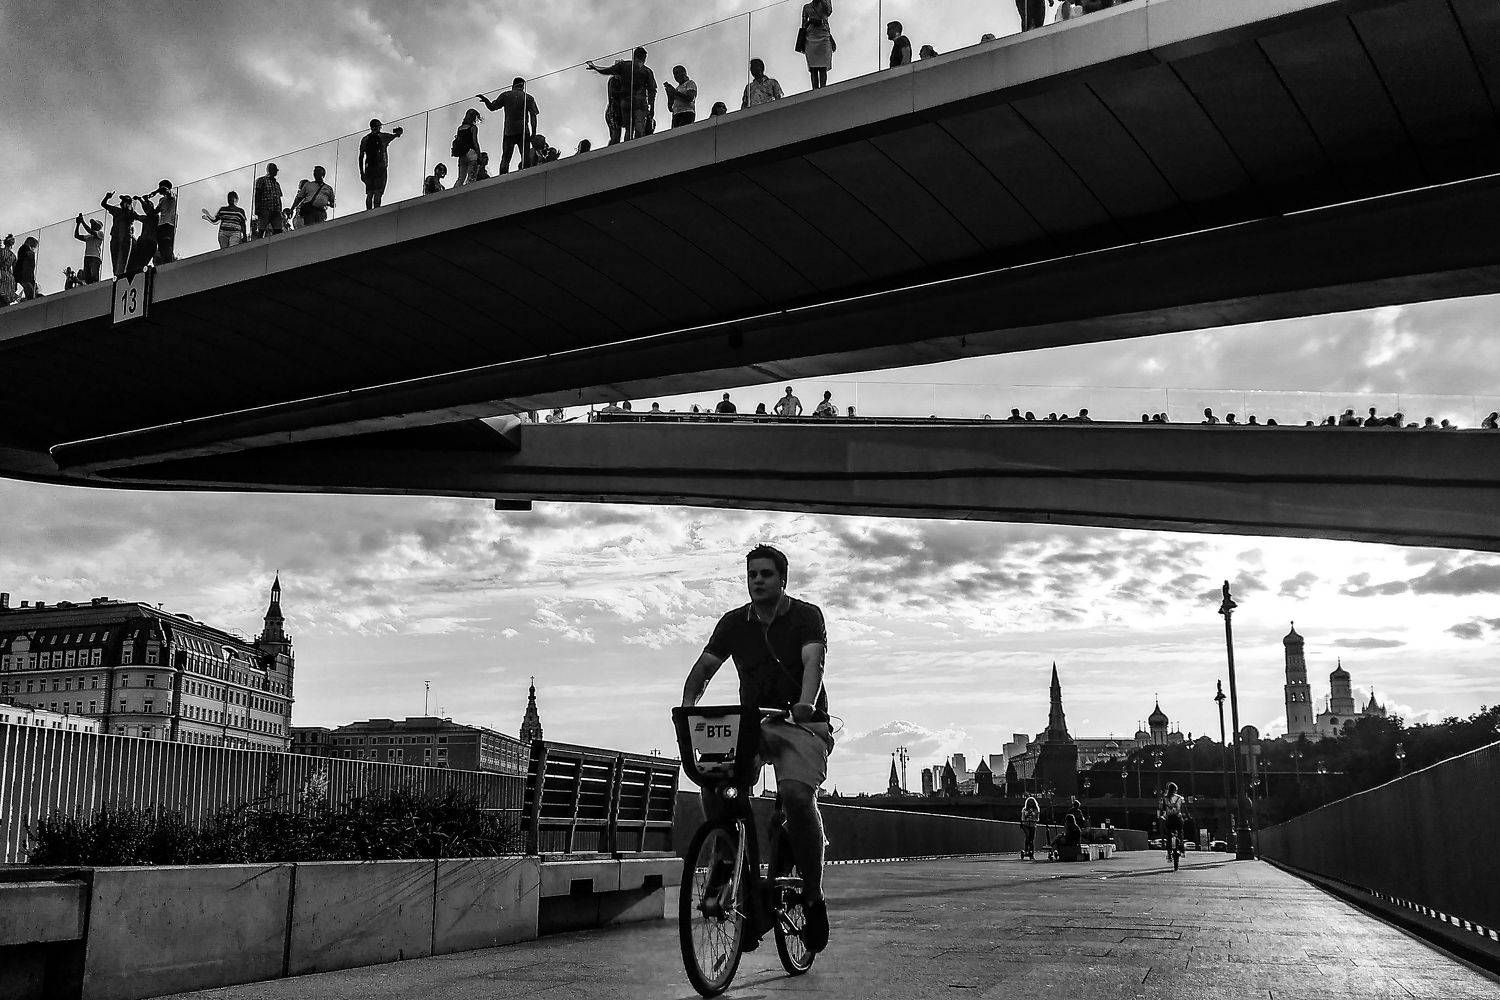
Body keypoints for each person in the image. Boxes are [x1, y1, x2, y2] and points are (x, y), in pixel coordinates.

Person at [681, 544, 834, 955]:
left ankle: (814, 897)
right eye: (752, 574)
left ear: (782, 579)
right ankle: (729, 860)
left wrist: (806, 702)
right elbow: (705, 668)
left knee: (797, 796)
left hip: (801, 722)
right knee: (716, 779)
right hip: (754, 724)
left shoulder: (806, 616)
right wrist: (689, 704)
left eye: (766, 574)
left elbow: (814, 663)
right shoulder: (734, 623)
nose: (758, 580)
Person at [587, 48, 657, 143]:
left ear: (634, 56)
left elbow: (608, 70)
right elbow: (652, 90)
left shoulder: (625, 66)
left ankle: (629, 146)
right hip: (639, 103)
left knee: (629, 129)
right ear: (644, 58)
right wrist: (652, 107)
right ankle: (637, 146)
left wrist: (595, 67)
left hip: (627, 101)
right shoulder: (646, 71)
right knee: (638, 127)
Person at [478, 79, 540, 173]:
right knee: (525, 157)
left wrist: (486, 100)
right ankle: (527, 176)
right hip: (523, 130)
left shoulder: (506, 95)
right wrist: (534, 133)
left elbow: (492, 107)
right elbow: (533, 115)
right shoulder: (528, 97)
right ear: (523, 86)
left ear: (513, 85)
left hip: (509, 131)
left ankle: (502, 178)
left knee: (506, 158)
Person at [359, 119, 404, 209]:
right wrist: (399, 131)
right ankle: (376, 211)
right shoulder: (383, 137)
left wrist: (362, 172)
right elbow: (397, 135)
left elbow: (360, 157)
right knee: (378, 192)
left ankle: (368, 211)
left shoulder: (365, 139)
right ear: (379, 126)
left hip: (368, 168)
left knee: (369, 193)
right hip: (381, 167)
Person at [123, 193, 160, 276]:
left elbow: (146, 210)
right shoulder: (148, 217)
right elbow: (137, 215)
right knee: (136, 264)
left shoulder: (154, 217)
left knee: (139, 264)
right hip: (145, 243)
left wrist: (141, 200)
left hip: (148, 243)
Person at [800, 0, 834, 90]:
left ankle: (823, 89)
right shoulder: (807, 7)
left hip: (824, 35)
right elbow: (803, 25)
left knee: (823, 66)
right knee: (813, 67)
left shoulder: (825, 2)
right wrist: (810, 21)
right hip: (811, 36)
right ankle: (814, 89)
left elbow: (828, 11)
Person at [100, 193, 136, 277]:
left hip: (125, 239)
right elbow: (103, 204)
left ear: (128, 204)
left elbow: (139, 217)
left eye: (124, 202)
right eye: (122, 201)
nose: (122, 203)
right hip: (115, 238)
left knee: (122, 262)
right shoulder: (117, 211)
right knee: (115, 262)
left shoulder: (131, 213)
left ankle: (121, 277)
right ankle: (116, 277)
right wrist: (107, 197)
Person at [451, 109, 484, 185]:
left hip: (462, 154)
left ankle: (455, 191)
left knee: (461, 178)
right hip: (471, 153)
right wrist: (479, 155)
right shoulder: (473, 128)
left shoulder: (460, 128)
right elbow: (475, 142)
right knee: (471, 177)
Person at [252, 163, 285, 240]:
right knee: (261, 229)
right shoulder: (261, 180)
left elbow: (279, 197)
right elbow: (257, 194)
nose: (276, 172)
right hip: (265, 209)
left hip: (276, 210)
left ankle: (276, 244)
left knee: (278, 230)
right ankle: (259, 244)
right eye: (274, 170)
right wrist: (257, 208)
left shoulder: (277, 184)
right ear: (269, 170)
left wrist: (280, 210)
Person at [72, 215, 105, 284]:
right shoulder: (88, 236)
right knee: (87, 278)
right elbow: (76, 236)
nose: (92, 225)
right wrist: (78, 224)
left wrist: (82, 221)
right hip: (87, 257)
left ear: (98, 227)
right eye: (92, 224)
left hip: (95, 257)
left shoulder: (100, 233)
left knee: (94, 278)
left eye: (94, 224)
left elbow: (90, 231)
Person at [1159, 781, 1186, 859]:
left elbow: (1163, 810)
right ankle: (1182, 850)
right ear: (1175, 790)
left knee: (1168, 835)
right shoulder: (1180, 798)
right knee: (1180, 833)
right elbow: (1184, 809)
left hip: (1169, 819)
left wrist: (1162, 816)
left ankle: (1169, 853)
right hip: (1178, 819)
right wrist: (1186, 816)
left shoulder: (1164, 798)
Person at [15, 236, 39, 300]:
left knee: (30, 291)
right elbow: (25, 264)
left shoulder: (24, 249)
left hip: (26, 275)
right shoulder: (24, 249)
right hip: (24, 275)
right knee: (30, 292)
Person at [0, 235, 16, 306]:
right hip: (9, 278)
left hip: (1, 275)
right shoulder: (13, 256)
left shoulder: (1, 251)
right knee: (6, 300)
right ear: (12, 244)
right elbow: (15, 270)